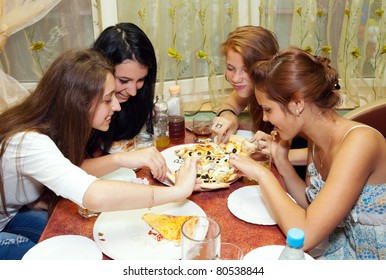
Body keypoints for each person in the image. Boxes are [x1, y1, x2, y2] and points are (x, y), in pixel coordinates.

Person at [0, 49, 199, 260]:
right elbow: (94, 195)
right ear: (78, 102)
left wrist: (121, 158)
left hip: (10, 215)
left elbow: (74, 169)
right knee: (57, 260)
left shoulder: (54, 126)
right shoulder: (27, 142)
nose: (116, 106)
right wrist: (178, 192)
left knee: (67, 236)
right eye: (107, 99)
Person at [229, 47, 386, 259]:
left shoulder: (360, 143)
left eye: (268, 109)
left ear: (297, 104)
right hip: (341, 248)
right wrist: (281, 162)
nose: (265, 119)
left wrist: (262, 174)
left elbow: (304, 235)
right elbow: (312, 208)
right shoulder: (316, 139)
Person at [82, 23, 165, 180]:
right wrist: (120, 159)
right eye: (123, 80)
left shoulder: (136, 98)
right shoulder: (81, 104)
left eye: (140, 80)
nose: (133, 92)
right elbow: (70, 170)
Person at [211, 25, 278, 143]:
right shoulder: (252, 87)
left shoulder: (287, 91)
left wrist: (277, 151)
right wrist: (229, 117)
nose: (236, 79)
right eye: (230, 68)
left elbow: (318, 147)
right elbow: (229, 105)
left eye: (246, 70)